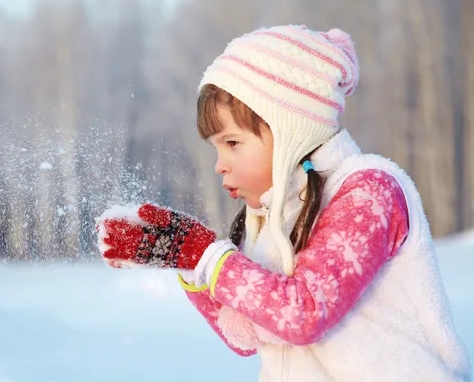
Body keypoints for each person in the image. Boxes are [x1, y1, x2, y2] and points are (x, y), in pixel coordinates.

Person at [95, 24, 471, 381]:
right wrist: (186, 260)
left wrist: (205, 255)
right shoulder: (273, 215)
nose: (220, 165)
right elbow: (243, 332)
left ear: (291, 130)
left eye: (233, 143)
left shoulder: (368, 193)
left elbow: (303, 313)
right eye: (216, 148)